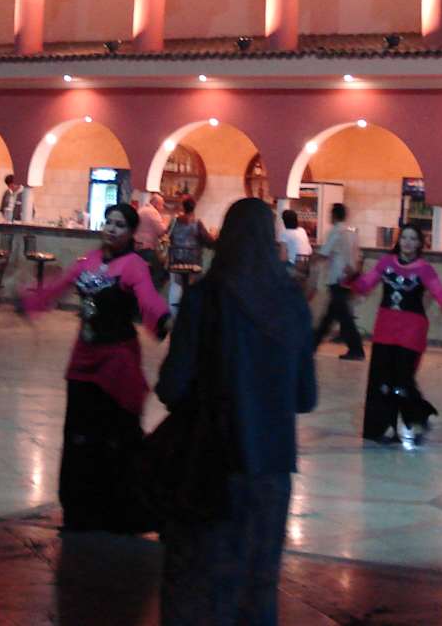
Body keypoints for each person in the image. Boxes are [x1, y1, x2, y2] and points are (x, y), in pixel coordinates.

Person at [157, 197, 317, 625]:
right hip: (271, 469)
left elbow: (172, 386)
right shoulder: (292, 302)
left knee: (199, 585)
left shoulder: (203, 299)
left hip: (207, 465)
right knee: (257, 585)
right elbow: (305, 397)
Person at [21, 202, 170, 532]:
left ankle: (117, 509)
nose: (111, 229)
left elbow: (147, 298)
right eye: (109, 222)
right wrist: (32, 301)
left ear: (131, 233)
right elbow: (60, 286)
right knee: (79, 433)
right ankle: (79, 506)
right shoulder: (89, 260)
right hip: (84, 357)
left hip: (117, 361)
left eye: (119, 225)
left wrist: (161, 319)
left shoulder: (134, 266)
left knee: (114, 434)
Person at [344, 223, 442, 443]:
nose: (407, 242)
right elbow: (365, 285)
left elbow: (440, 294)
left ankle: (418, 415)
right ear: (399, 240)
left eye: (413, 238)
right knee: (381, 380)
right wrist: (352, 277)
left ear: (419, 243)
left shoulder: (424, 269)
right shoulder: (386, 263)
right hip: (385, 329)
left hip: (412, 331)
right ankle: (380, 428)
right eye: (404, 237)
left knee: (403, 380)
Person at [312, 203, 365, 360]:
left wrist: (311, 260)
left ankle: (356, 349)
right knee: (333, 315)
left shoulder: (335, 232)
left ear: (334, 215)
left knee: (341, 317)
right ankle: (312, 344)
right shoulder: (352, 232)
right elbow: (358, 256)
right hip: (348, 278)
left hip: (337, 277)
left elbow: (324, 253)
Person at [166, 195, 216, 315]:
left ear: (183, 207)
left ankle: (174, 314)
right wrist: (213, 234)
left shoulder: (174, 221)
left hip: (176, 261)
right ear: (194, 207)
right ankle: (190, 312)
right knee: (194, 286)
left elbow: (168, 236)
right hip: (193, 264)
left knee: (175, 285)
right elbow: (209, 242)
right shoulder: (197, 223)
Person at [135, 192, 169, 288]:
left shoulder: (141, 209)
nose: (162, 208)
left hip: (137, 246)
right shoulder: (153, 212)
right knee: (161, 272)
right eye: (161, 205)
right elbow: (161, 231)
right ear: (156, 204)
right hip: (146, 248)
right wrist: (166, 224)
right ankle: (152, 291)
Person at [276, 209, 312, 275]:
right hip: (306, 266)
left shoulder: (284, 233)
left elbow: (283, 257)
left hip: (294, 267)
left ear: (284, 221)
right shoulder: (302, 230)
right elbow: (310, 251)